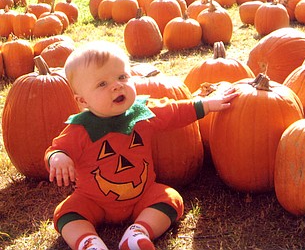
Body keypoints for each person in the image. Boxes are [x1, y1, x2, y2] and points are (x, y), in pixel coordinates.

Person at [44, 40, 238, 250]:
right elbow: (57, 148)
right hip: (92, 200)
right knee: (67, 214)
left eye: (122, 77)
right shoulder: (81, 129)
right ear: (82, 101)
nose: (117, 85)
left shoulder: (141, 113)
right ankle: (88, 242)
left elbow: (174, 111)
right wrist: (58, 157)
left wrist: (207, 104)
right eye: (102, 84)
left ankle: (138, 233)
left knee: (170, 199)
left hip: (142, 195)